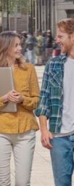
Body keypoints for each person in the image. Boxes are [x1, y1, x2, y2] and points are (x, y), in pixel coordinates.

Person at [0, 31, 40, 186]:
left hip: (26, 132)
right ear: (5, 47)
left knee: (23, 182)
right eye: (16, 45)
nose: (20, 48)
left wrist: (22, 99)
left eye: (20, 44)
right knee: (2, 182)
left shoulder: (29, 69)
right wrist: (4, 99)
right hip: (0, 132)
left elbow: (36, 102)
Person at [37, 18, 74, 186]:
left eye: (61, 36)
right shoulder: (53, 64)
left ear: (72, 37)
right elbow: (44, 99)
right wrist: (44, 130)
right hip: (59, 136)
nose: (57, 40)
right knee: (61, 183)